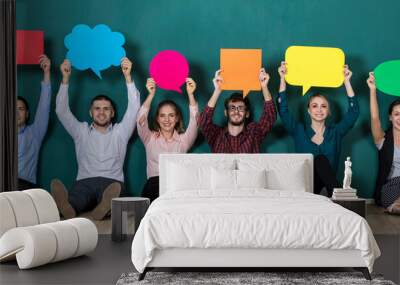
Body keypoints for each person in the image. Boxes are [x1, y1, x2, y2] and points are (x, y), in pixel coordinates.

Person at [51, 57, 140, 220]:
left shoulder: (121, 132)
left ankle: (106, 207)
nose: (101, 112)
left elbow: (134, 108)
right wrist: (65, 79)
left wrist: (128, 78)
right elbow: (61, 111)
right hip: (85, 181)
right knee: (77, 197)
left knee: (116, 194)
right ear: (91, 113)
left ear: (112, 113)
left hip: (112, 183)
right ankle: (68, 206)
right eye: (97, 108)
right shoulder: (81, 131)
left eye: (106, 109)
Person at [277, 62, 359, 197]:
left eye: (324, 106)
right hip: (306, 188)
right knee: (319, 160)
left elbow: (354, 112)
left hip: (329, 185)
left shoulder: (336, 132)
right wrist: (282, 78)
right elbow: (283, 111)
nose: (319, 110)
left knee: (321, 160)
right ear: (309, 111)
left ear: (329, 111)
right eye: (315, 106)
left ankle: (338, 197)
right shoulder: (299, 130)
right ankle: (341, 197)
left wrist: (346, 81)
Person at [137, 77, 198, 202]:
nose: (167, 120)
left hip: (176, 185)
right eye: (162, 116)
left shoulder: (184, 141)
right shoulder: (149, 138)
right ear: (157, 119)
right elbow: (140, 121)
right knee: (152, 188)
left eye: (171, 115)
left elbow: (195, 121)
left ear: (176, 119)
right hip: (154, 185)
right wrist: (151, 94)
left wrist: (190, 94)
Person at [198, 68, 276, 153]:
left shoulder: (254, 133)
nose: (236, 111)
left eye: (241, 108)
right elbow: (203, 122)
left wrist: (264, 86)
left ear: (247, 114)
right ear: (226, 113)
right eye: (232, 108)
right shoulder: (216, 134)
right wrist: (217, 90)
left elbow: (270, 116)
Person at [18, 54, 52, 190]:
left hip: (23, 185)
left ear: (27, 114)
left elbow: (45, 105)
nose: (16, 113)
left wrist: (47, 72)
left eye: (20, 109)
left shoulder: (34, 133)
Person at [368, 72, 400, 214]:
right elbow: (375, 118)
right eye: (397, 114)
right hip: (390, 187)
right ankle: (396, 205)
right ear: (390, 117)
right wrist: (373, 90)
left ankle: (397, 206)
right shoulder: (383, 139)